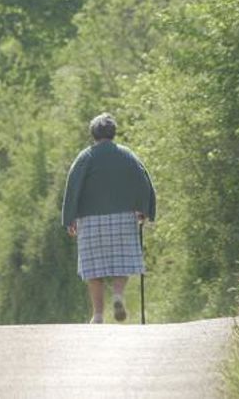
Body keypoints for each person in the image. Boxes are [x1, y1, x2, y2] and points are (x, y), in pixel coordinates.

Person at [61, 113, 156, 324]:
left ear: (93, 134)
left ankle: (97, 315)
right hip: (123, 217)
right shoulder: (127, 155)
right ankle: (119, 296)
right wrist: (144, 208)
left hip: (90, 219)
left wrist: (70, 218)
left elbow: (73, 186)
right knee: (122, 262)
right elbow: (142, 180)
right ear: (113, 132)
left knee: (93, 269)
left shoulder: (85, 157)